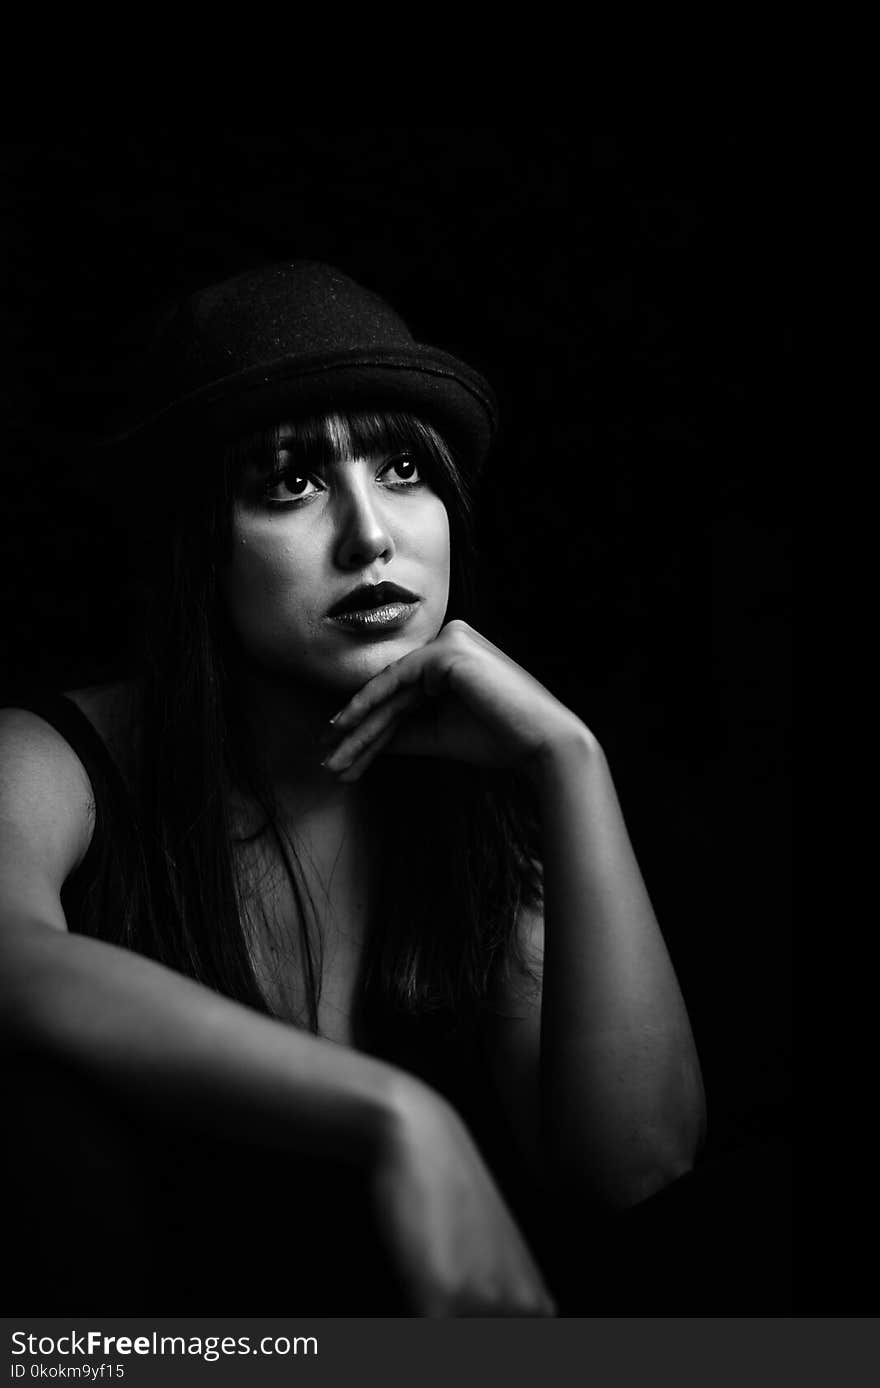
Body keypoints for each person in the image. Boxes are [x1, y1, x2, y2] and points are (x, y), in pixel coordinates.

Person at [0, 261, 706, 1316]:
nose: (370, 534)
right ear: (197, 544)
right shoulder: (53, 760)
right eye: (288, 481)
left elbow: (632, 1163)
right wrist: (394, 1115)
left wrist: (570, 761)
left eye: (405, 468)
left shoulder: (468, 806)